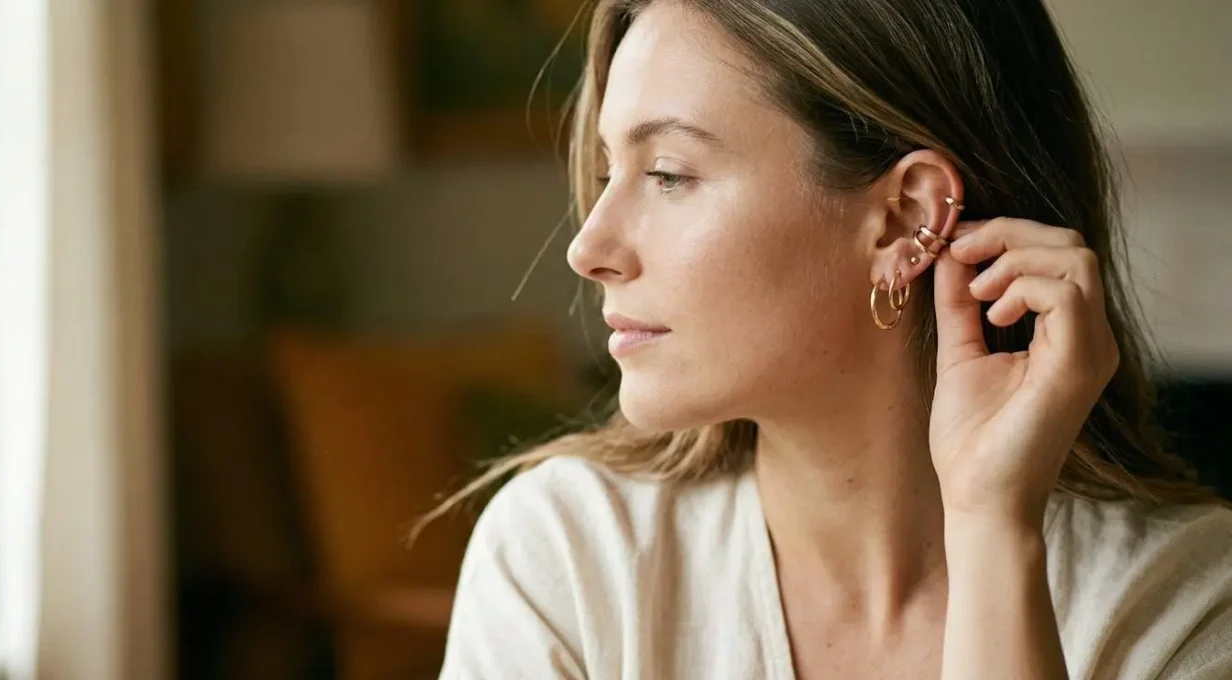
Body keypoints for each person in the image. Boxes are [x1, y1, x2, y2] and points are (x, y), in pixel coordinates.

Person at [435, 0, 1232, 678]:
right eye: (611, 171)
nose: (588, 248)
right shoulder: (569, 558)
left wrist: (994, 530)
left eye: (670, 174)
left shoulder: (1184, 600)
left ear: (906, 220)